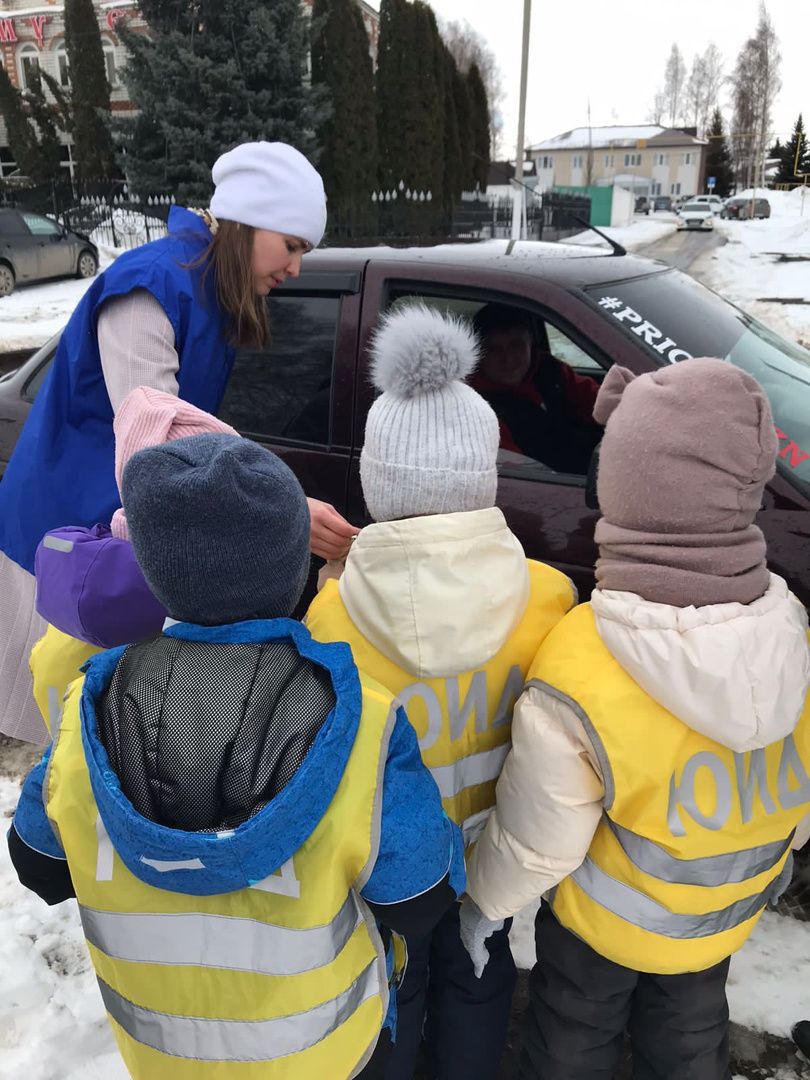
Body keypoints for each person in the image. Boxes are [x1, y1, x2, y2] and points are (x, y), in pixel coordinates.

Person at [8, 432, 465, 1080]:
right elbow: (417, 898)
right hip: (330, 1055)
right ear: (291, 568)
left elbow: (39, 865)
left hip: (163, 1060)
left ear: (157, 569)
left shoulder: (92, 709)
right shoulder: (361, 719)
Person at [461, 359, 810, 1080]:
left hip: (603, 928)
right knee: (689, 1037)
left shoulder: (584, 657)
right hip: (723, 917)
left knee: (572, 1035)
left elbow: (540, 841)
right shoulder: (793, 633)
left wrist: (481, 903)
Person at [0, 140, 357, 745]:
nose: (296, 267)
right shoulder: (152, 287)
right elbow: (158, 447)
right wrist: (284, 509)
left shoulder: (203, 290)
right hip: (65, 544)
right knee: (69, 744)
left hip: (112, 537)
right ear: (248, 223)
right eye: (292, 245)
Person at [305, 304, 577, 1080]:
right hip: (495, 855)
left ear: (376, 481)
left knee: (397, 985)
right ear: (482, 472)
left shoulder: (333, 613)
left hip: (392, 868)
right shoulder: (549, 596)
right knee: (482, 980)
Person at [470, 303, 601, 474]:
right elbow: (519, 475)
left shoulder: (550, 370)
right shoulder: (475, 408)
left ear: (531, 342)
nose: (508, 359)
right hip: (556, 485)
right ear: (478, 353)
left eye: (516, 345)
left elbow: (598, 402)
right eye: (493, 349)